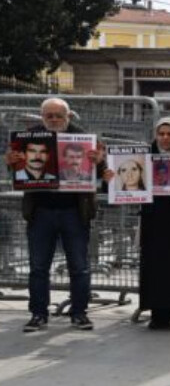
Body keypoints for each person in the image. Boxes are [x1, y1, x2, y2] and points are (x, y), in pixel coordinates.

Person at [4, 98, 106, 332]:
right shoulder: (28, 137)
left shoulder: (85, 138)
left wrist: (100, 162)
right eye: (48, 115)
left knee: (79, 266)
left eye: (58, 115)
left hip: (74, 212)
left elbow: (101, 170)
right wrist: (11, 162)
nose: (53, 119)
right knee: (38, 267)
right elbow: (16, 169)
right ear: (42, 117)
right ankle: (38, 314)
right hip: (40, 212)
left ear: (68, 116)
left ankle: (79, 313)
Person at [108, 117, 170, 330]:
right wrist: (111, 178)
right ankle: (159, 313)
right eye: (161, 134)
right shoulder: (144, 155)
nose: (166, 138)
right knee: (156, 265)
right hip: (155, 219)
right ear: (156, 135)